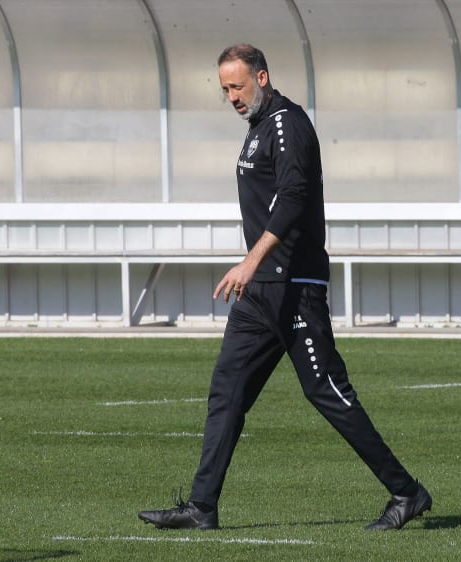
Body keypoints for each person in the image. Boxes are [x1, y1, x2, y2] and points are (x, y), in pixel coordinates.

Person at [137, 44, 431, 531]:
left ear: (263, 77)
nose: (231, 95)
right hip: (260, 296)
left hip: (294, 287)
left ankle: (406, 492)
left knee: (328, 393)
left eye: (238, 85)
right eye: (225, 88)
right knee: (226, 394)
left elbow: (294, 198)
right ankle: (201, 507)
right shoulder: (256, 130)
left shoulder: (287, 124)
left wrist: (251, 261)